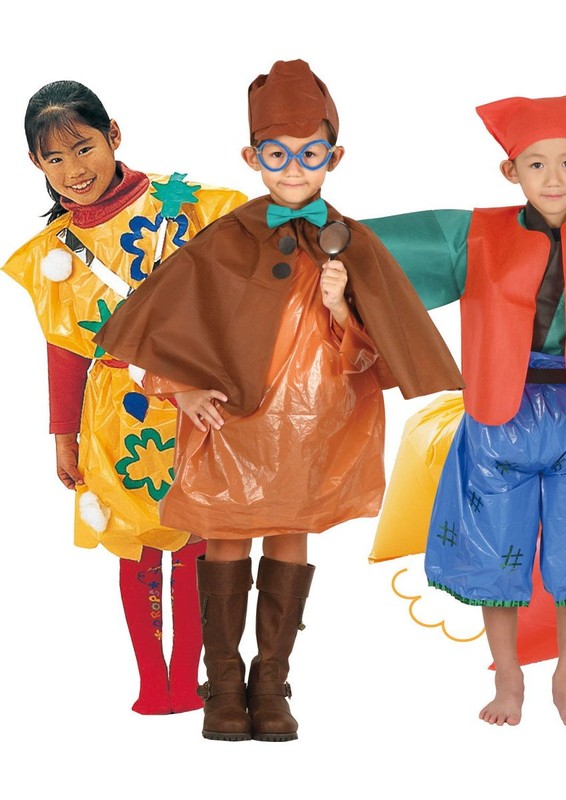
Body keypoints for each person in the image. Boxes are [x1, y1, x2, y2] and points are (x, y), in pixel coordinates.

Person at [94, 59, 463, 742]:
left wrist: (341, 306)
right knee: (228, 535)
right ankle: (222, 685)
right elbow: (160, 326)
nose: (293, 168)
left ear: (334, 158)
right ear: (252, 157)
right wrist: (183, 388)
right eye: (277, 154)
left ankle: (271, 682)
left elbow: (378, 353)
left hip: (314, 424)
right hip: (232, 420)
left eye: (309, 154)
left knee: (291, 532)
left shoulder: (354, 244)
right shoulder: (225, 238)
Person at [362, 90, 566, 727]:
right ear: (509, 170)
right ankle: (508, 675)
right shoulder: (473, 235)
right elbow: (377, 249)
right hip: (498, 411)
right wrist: (319, 234)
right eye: (535, 163)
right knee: (497, 548)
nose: (552, 178)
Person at [2, 80, 247, 715]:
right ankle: (152, 684)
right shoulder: (54, 252)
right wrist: (63, 435)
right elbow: (64, 349)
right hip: (113, 411)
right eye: (55, 159)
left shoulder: (186, 208)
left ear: (113, 134)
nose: (73, 170)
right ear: (35, 164)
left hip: (193, 401)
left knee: (194, 540)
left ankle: (188, 681)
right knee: (133, 541)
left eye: (83, 148)